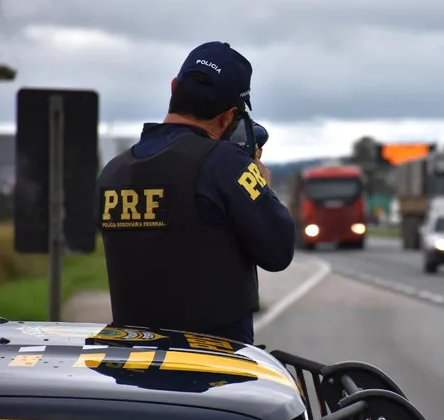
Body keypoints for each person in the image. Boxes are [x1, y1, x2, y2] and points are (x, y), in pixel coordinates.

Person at [95, 41, 295, 345]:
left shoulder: (113, 172)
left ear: (174, 88)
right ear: (229, 117)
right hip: (212, 371)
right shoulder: (225, 164)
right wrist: (261, 185)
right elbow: (278, 250)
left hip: (131, 368)